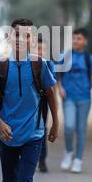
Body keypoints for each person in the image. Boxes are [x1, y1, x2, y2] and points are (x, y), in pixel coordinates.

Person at [0, 18, 59, 182]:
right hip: (7, 135)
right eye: (18, 35)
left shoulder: (39, 64)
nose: (22, 40)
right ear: (9, 37)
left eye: (27, 36)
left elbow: (51, 93)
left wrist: (55, 123)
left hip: (34, 135)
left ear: (33, 40)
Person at [58, 28, 92, 173]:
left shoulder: (90, 59)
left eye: (79, 38)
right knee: (69, 127)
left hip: (84, 99)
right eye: (74, 38)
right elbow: (57, 74)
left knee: (81, 130)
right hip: (68, 97)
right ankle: (69, 152)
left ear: (85, 41)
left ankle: (78, 160)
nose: (76, 41)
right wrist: (60, 88)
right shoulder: (65, 55)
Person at [37, 37, 56, 173]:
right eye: (37, 48)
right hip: (27, 102)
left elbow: (51, 86)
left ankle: (42, 159)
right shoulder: (27, 63)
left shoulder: (48, 64)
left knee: (42, 129)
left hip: (42, 102)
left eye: (42, 49)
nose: (39, 52)